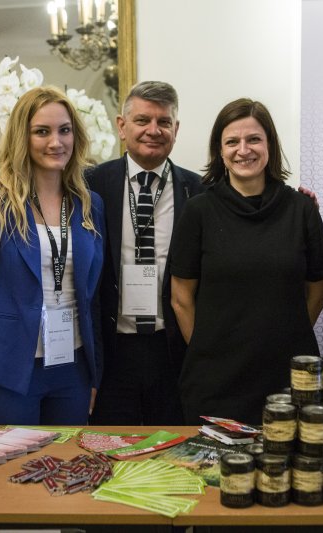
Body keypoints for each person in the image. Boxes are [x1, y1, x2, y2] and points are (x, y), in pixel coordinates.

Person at [170, 98, 323, 425]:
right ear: (220, 151)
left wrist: (282, 339)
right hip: (215, 380)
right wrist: (207, 351)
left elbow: (317, 293)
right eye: (232, 141)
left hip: (289, 377)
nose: (243, 150)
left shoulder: (301, 210)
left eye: (254, 139)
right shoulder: (198, 211)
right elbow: (181, 297)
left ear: (270, 144)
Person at [0, 86, 105, 425]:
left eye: (64, 130)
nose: (56, 142)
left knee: (66, 458)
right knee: (11, 459)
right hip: (5, 367)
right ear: (23, 137)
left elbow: (91, 299)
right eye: (42, 132)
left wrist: (94, 372)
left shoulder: (90, 205)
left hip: (72, 367)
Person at [87, 81, 204, 426]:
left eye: (163, 122)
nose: (154, 130)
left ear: (176, 129)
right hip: (112, 351)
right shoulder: (90, 184)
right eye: (142, 120)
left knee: (173, 445)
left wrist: (299, 199)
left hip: (172, 350)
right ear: (122, 126)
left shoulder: (200, 190)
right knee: (110, 446)